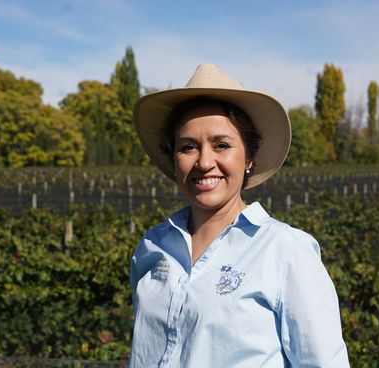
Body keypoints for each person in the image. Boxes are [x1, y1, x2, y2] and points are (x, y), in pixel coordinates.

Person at [130, 64, 349, 367]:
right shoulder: (152, 246)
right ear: (174, 159)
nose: (204, 162)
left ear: (248, 157)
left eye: (222, 145)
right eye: (188, 147)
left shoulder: (285, 251)